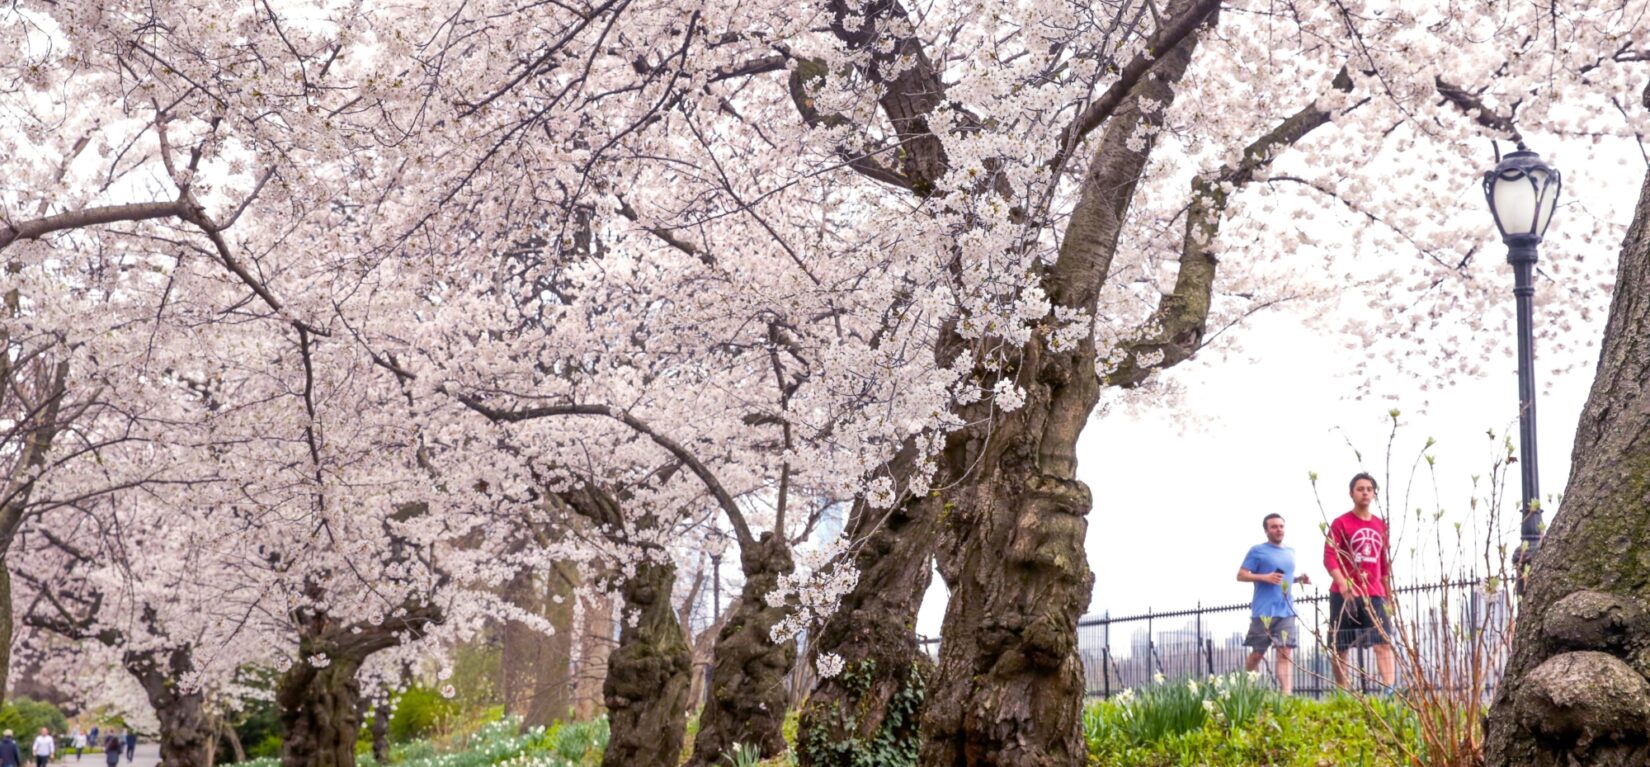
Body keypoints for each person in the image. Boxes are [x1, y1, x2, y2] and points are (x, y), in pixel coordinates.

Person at [1324, 471, 1397, 690]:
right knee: (1340, 646)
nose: (1365, 493)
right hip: (1344, 594)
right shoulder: (1340, 523)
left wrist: (1389, 597)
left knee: (1382, 643)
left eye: (1369, 489)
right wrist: (1343, 583)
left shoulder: (1380, 525)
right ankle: (1343, 691)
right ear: (1351, 493)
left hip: (1374, 594)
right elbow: (1329, 557)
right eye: (1360, 489)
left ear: (1374, 494)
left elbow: (1384, 565)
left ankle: (1389, 691)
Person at [1237, 513, 1311, 694]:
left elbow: (1282, 578)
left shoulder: (1290, 552)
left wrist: (1297, 579)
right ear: (1266, 530)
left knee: (1285, 653)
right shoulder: (1257, 551)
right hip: (1264, 612)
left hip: (1286, 610)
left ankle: (1286, 696)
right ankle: (1247, 689)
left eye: (1281, 526)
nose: (1279, 530)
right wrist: (1265, 577)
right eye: (1274, 527)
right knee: (1257, 655)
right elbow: (1241, 575)